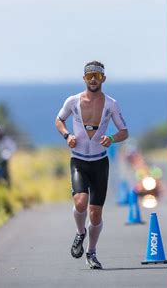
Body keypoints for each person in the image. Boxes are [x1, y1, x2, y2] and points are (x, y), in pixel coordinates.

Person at [55, 61, 129, 269]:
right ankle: (80, 233)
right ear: (84, 79)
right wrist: (67, 135)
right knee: (80, 202)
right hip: (78, 159)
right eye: (89, 76)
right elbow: (59, 120)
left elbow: (124, 131)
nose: (93, 79)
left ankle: (91, 252)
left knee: (95, 214)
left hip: (99, 163)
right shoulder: (73, 101)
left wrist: (112, 139)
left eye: (97, 75)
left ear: (103, 78)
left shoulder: (111, 104)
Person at [0, 122, 17, 187]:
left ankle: (8, 185)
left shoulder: (6, 140)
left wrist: (7, 153)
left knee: (6, 172)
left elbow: (12, 147)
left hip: (4, 159)